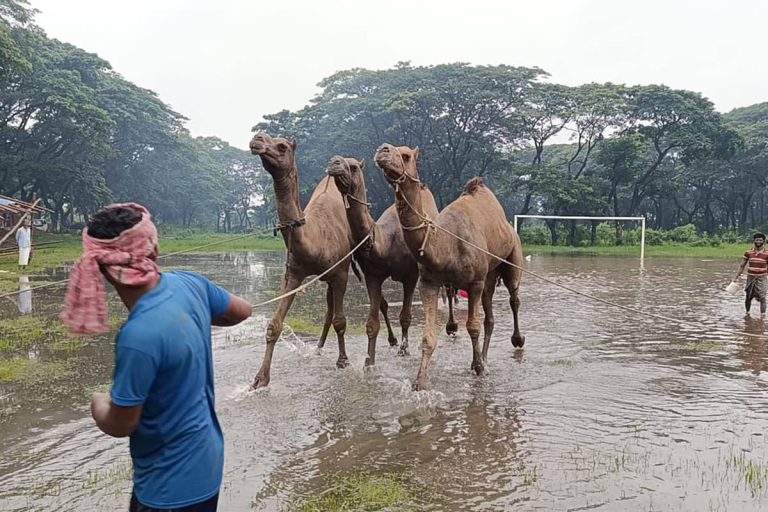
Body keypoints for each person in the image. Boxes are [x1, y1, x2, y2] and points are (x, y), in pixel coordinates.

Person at [60, 203, 252, 512]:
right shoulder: (190, 284)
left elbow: (121, 424)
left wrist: (97, 404)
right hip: (208, 465)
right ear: (155, 248)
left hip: (167, 490)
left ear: (104, 269)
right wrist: (198, 314)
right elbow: (242, 310)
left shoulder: (138, 337)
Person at [735, 232, 768, 314]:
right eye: (757, 240)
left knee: (762, 297)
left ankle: (762, 316)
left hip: (762, 278)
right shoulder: (748, 253)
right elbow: (742, 265)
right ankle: (747, 313)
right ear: (754, 240)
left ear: (763, 241)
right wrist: (736, 277)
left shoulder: (767, 253)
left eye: (760, 240)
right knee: (748, 296)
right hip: (750, 277)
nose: (758, 242)